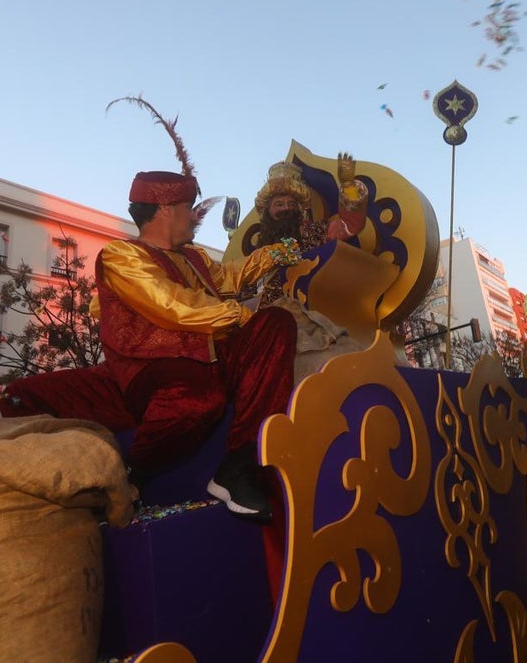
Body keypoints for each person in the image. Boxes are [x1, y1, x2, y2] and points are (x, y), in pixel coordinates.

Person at [94, 99, 299, 522]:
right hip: (158, 368)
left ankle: (239, 465)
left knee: (277, 323)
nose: (195, 219)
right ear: (166, 210)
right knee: (197, 398)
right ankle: (134, 474)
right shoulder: (121, 256)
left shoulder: (196, 259)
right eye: (190, 210)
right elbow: (173, 305)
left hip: (212, 357)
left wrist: (276, 252)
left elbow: (231, 278)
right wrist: (239, 317)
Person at [248, 156, 368, 309]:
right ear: (267, 211)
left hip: (309, 319)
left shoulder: (318, 232)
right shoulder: (256, 255)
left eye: (292, 204)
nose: (286, 208)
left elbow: (350, 224)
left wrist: (350, 188)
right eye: (279, 204)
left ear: (300, 210)